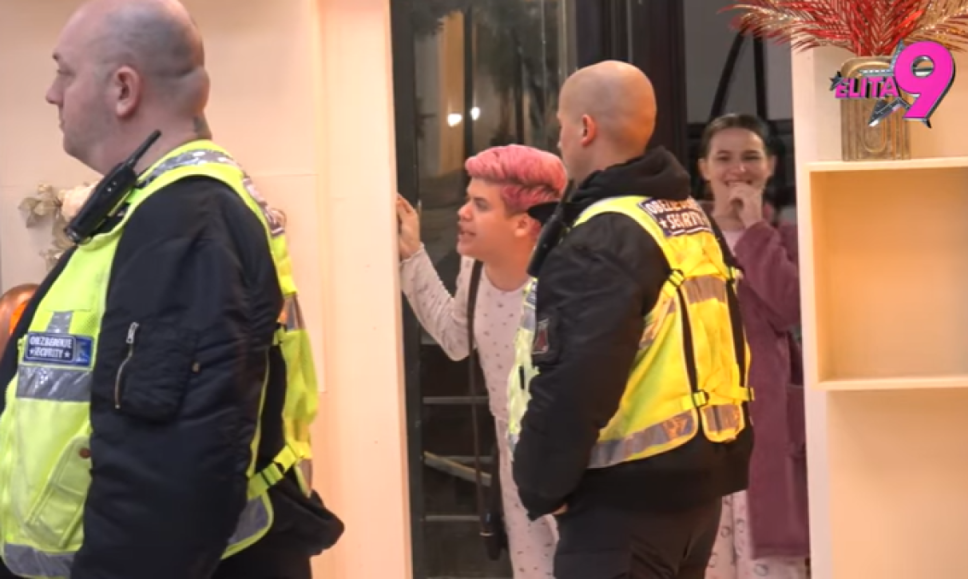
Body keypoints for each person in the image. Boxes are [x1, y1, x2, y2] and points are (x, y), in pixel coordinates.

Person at [0, 1, 343, 578]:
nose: (51, 94)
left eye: (65, 72)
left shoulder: (187, 221)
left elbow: (164, 484)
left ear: (123, 89)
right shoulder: (151, 211)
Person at [507, 60, 754, 579]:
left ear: (585, 128)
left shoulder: (604, 237)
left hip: (619, 513)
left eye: (560, 126)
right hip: (694, 499)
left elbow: (577, 381)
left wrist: (540, 485)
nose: (558, 140)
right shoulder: (688, 218)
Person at [396, 144, 566, 578]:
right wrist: (413, 254)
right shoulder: (474, 267)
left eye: (480, 204)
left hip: (573, 454)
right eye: (467, 199)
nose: (462, 212)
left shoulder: (569, 278)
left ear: (524, 223)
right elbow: (456, 338)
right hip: (514, 456)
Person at [698, 114, 808, 579]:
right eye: (723, 158)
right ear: (704, 168)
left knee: (773, 561)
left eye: (750, 157)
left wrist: (754, 229)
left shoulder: (786, 237)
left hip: (766, 424)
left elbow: (790, 308)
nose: (737, 169)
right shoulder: (683, 239)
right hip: (699, 426)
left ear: (771, 166)